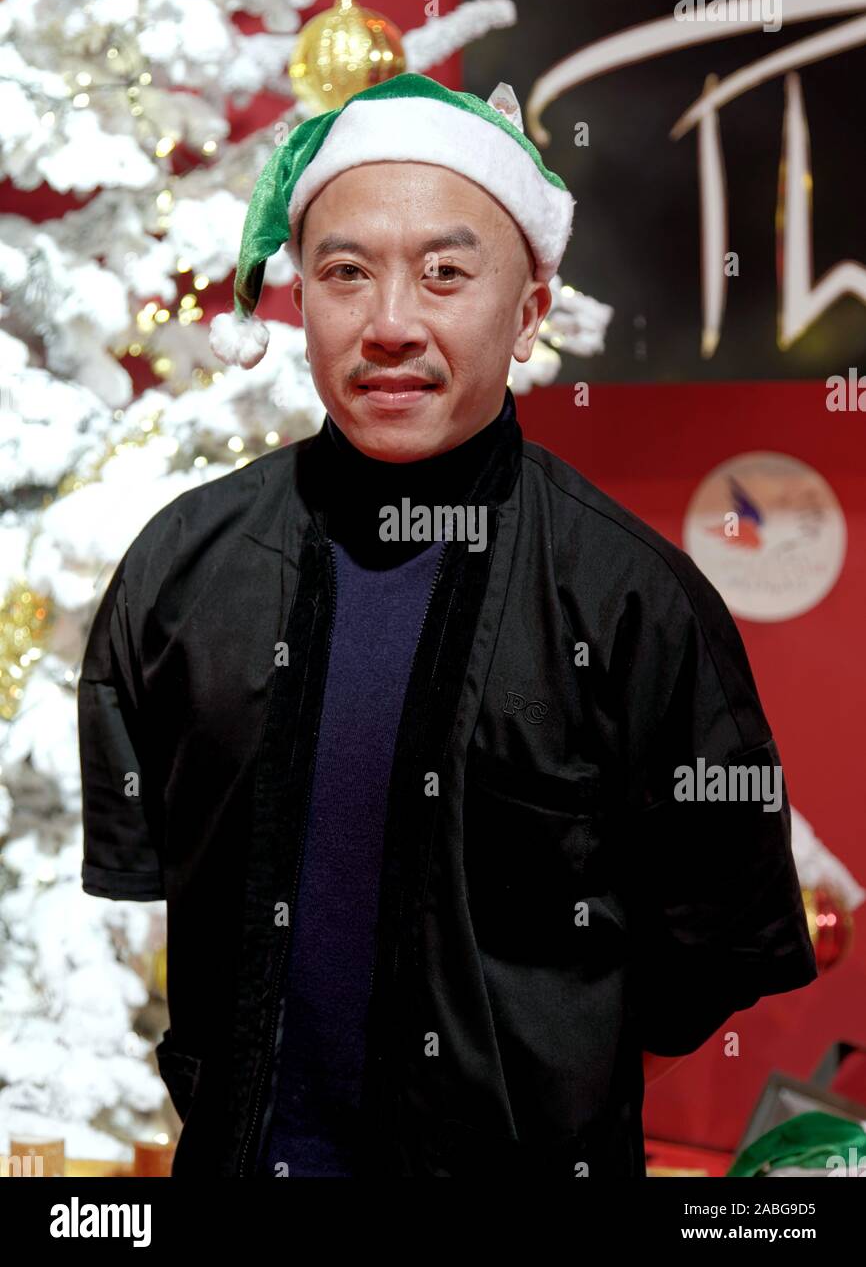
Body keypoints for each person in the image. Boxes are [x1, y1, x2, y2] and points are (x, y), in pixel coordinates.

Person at [78, 72, 818, 1178]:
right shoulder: (181, 569)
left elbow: (718, 941)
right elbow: (165, 891)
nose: (388, 324)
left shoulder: (630, 601)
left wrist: (547, 1098)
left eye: (443, 274)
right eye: (343, 273)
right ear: (302, 299)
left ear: (526, 313)